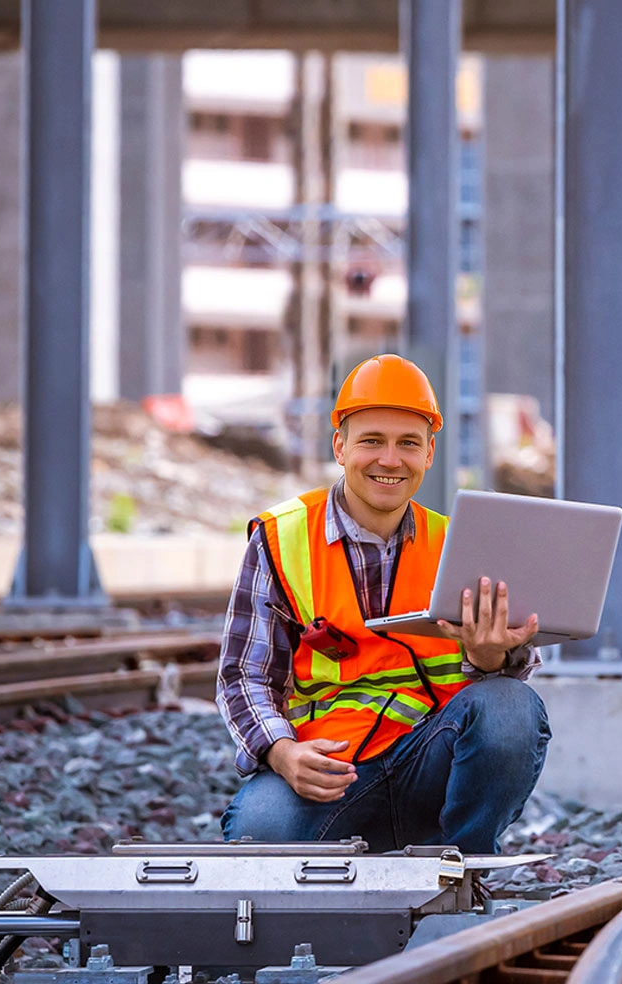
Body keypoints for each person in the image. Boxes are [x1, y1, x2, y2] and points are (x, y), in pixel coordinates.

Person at [217, 354, 549, 853]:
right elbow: (244, 675)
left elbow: (502, 707)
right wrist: (282, 753)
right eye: (372, 440)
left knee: (510, 707)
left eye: (408, 444)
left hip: (430, 767)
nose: (390, 460)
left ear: (430, 453)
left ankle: (462, 867)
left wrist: (489, 659)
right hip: (329, 770)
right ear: (340, 446)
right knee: (259, 830)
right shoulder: (281, 539)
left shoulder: (461, 544)